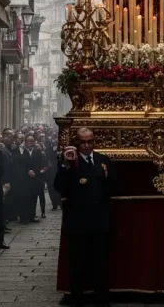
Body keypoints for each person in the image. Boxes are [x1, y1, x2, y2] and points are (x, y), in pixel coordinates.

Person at [54, 127, 115, 307]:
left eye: (90, 141)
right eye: (83, 142)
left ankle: (102, 297)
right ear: (77, 142)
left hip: (99, 220)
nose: (87, 145)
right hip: (78, 221)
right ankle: (76, 297)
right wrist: (65, 165)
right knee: (77, 261)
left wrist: (105, 179)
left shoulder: (103, 160)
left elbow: (114, 186)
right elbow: (60, 187)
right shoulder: (69, 162)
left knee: (100, 261)